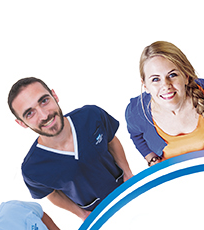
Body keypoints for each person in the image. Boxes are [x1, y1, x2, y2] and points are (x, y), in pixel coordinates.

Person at [9, 77, 135, 219]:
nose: (44, 115)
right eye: (30, 113)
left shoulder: (91, 116)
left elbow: (111, 141)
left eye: (44, 101)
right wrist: (82, 214)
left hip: (127, 189)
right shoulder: (32, 169)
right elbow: (52, 194)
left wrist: (128, 173)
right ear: (21, 123)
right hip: (98, 214)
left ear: (54, 95)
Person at [125, 41, 204, 165]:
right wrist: (151, 159)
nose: (166, 85)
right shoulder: (136, 112)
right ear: (145, 85)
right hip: (172, 177)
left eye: (172, 75)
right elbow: (136, 135)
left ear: (185, 76)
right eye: (155, 79)